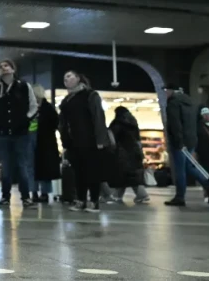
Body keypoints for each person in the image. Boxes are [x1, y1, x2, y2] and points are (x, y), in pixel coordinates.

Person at [0, 59, 38, 208]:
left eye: (7, 66)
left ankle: (26, 197)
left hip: (21, 134)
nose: (4, 68)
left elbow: (34, 106)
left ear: (13, 69)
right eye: (1, 67)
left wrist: (26, 119)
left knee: (22, 165)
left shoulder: (24, 86)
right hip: (2, 134)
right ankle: (5, 197)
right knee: (6, 167)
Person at [58, 71, 110, 212]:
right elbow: (62, 122)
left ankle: (94, 201)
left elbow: (98, 116)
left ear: (78, 78)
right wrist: (64, 140)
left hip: (89, 139)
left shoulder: (90, 95)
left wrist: (100, 139)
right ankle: (80, 199)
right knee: (78, 172)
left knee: (92, 171)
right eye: (64, 77)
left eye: (69, 76)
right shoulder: (66, 100)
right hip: (72, 142)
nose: (66, 79)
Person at [162, 86, 199, 207]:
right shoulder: (190, 102)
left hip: (180, 142)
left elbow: (175, 125)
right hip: (191, 140)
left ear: (171, 91)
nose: (165, 93)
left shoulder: (173, 103)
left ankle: (180, 197)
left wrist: (178, 142)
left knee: (180, 170)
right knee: (189, 167)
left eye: (166, 91)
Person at [108, 106, 150, 204]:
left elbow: (112, 140)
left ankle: (139, 195)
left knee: (123, 176)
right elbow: (138, 139)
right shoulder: (133, 123)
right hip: (135, 152)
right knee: (132, 176)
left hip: (122, 153)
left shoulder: (116, 124)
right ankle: (119, 195)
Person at [31, 84, 61, 204]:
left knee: (43, 169)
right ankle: (35, 192)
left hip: (45, 142)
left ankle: (43, 193)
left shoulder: (47, 108)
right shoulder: (45, 108)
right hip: (38, 141)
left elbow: (55, 123)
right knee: (34, 168)